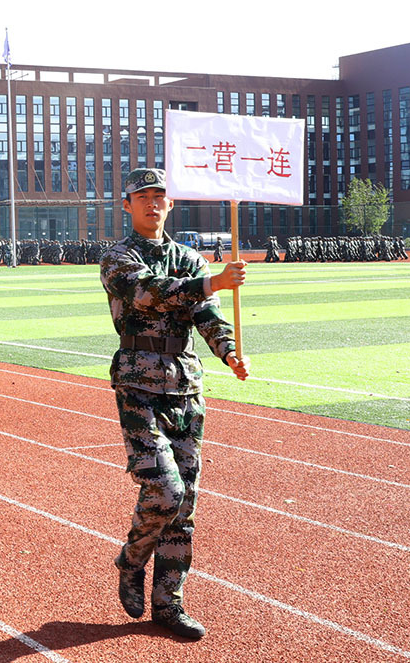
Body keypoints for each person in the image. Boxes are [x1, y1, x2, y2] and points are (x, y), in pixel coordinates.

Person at [99, 168, 249, 640]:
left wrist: (227, 351)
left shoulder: (188, 257)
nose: (151, 202)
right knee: (164, 489)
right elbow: (146, 293)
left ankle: (169, 603)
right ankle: (131, 560)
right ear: (126, 205)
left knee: (185, 507)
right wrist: (210, 284)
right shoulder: (118, 258)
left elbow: (206, 315)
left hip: (185, 386)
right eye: (141, 196)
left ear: (170, 203)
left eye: (159, 195)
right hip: (138, 385)